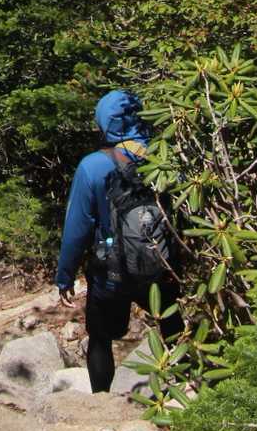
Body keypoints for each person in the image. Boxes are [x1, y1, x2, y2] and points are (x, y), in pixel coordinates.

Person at [55, 87, 181, 393]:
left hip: (111, 272)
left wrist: (65, 277)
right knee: (173, 327)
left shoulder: (93, 166)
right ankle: (189, 390)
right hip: (160, 265)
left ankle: (102, 402)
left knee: (100, 337)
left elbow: (76, 230)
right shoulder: (165, 157)